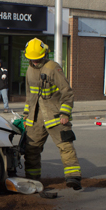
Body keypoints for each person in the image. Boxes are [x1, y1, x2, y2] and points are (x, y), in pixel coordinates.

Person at [22, 38, 82, 190]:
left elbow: (67, 93)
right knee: (31, 150)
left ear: (45, 54)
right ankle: (32, 180)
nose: (35, 62)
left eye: (37, 59)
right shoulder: (29, 71)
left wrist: (65, 114)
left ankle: (73, 177)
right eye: (32, 59)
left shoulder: (53, 68)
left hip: (55, 115)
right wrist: (26, 116)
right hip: (35, 117)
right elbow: (29, 96)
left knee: (65, 146)